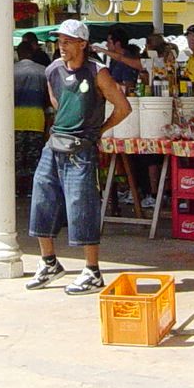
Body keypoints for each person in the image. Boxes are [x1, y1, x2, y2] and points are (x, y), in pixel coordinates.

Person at [26, 19, 131, 294]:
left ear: (83, 44)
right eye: (60, 40)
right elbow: (57, 103)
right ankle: (49, 262)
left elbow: (123, 107)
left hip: (81, 147)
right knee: (41, 198)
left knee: (81, 204)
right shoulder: (52, 70)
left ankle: (92, 271)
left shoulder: (98, 72)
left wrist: (99, 129)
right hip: (55, 143)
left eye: (68, 41)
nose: (62, 45)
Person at [13, 41, 50, 194]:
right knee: (35, 157)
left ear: (18, 53)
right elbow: (48, 97)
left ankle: (17, 188)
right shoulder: (43, 71)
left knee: (16, 157)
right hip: (36, 119)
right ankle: (32, 189)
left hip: (15, 120)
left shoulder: (10, 70)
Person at [93, 25, 142, 91]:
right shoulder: (113, 60)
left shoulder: (127, 60)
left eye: (109, 42)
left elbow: (129, 85)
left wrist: (107, 84)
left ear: (117, 44)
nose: (106, 45)